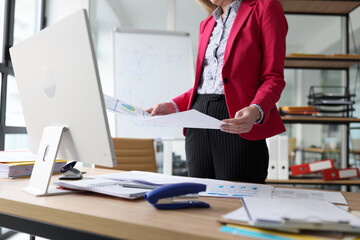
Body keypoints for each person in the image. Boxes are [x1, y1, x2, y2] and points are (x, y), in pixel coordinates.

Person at [146, 0, 288, 184]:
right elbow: (204, 85)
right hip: (197, 122)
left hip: (237, 119)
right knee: (200, 198)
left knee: (237, 202)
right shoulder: (207, 24)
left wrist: (256, 110)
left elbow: (273, 77)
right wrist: (173, 105)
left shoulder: (265, 8)